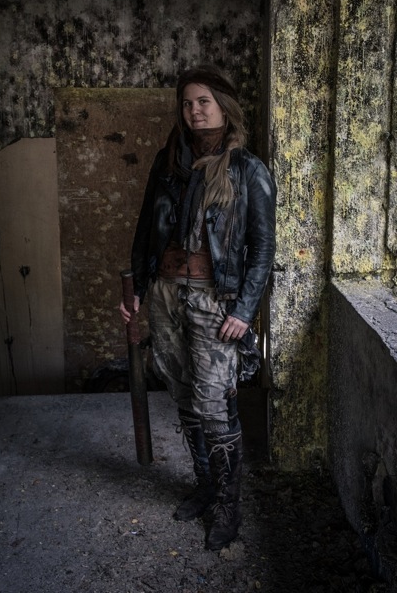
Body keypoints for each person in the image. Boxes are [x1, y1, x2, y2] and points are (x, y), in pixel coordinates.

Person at [120, 64, 276, 551]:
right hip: (166, 293)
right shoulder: (168, 164)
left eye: (203, 102)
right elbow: (145, 231)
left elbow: (263, 249)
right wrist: (137, 290)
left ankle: (229, 505)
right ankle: (206, 485)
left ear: (223, 107)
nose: (195, 111)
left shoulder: (247, 170)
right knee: (186, 397)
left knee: (214, 403)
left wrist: (244, 311)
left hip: (215, 300)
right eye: (187, 103)